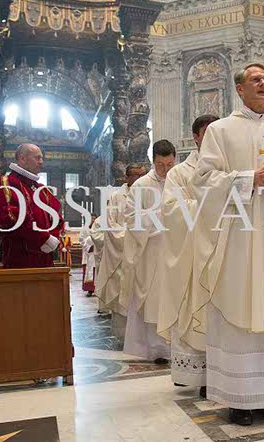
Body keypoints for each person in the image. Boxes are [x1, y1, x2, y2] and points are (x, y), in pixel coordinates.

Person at [191, 63, 264, 425]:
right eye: (256, 80)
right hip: (238, 239)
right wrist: (250, 179)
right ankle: (238, 400)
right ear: (239, 89)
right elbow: (204, 180)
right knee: (238, 308)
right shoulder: (221, 131)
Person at [157, 114, 218, 396]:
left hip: (224, 252)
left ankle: (224, 375)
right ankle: (198, 375)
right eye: (208, 132)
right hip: (193, 256)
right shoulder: (180, 173)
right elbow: (172, 210)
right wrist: (211, 207)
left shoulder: (229, 168)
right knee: (195, 310)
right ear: (196, 137)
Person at [120, 140, 176, 363]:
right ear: (153, 162)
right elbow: (131, 218)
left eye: (169, 164)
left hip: (176, 251)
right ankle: (156, 349)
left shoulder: (180, 181)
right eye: (160, 165)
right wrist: (160, 215)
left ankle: (176, 348)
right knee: (153, 300)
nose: (165, 170)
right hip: (150, 250)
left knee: (173, 298)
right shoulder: (141, 185)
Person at [0, 144, 64, 268]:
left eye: (42, 158)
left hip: (46, 256)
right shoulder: (6, 182)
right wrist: (43, 238)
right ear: (22, 158)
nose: (41, 162)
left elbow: (56, 216)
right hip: (20, 257)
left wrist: (53, 237)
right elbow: (10, 217)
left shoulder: (41, 189)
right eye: (37, 158)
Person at [95, 164, 147, 339]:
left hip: (144, 253)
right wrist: (133, 238)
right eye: (136, 175)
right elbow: (110, 226)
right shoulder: (116, 197)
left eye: (142, 175)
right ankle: (123, 336)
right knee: (122, 294)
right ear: (127, 177)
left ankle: (142, 337)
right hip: (123, 254)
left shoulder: (149, 194)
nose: (139, 179)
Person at [81, 215, 98, 297]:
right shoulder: (84, 229)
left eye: (94, 218)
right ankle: (90, 289)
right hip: (89, 253)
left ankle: (97, 289)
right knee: (89, 271)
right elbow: (81, 240)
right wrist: (89, 245)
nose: (93, 220)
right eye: (91, 218)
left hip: (97, 252)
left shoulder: (98, 228)